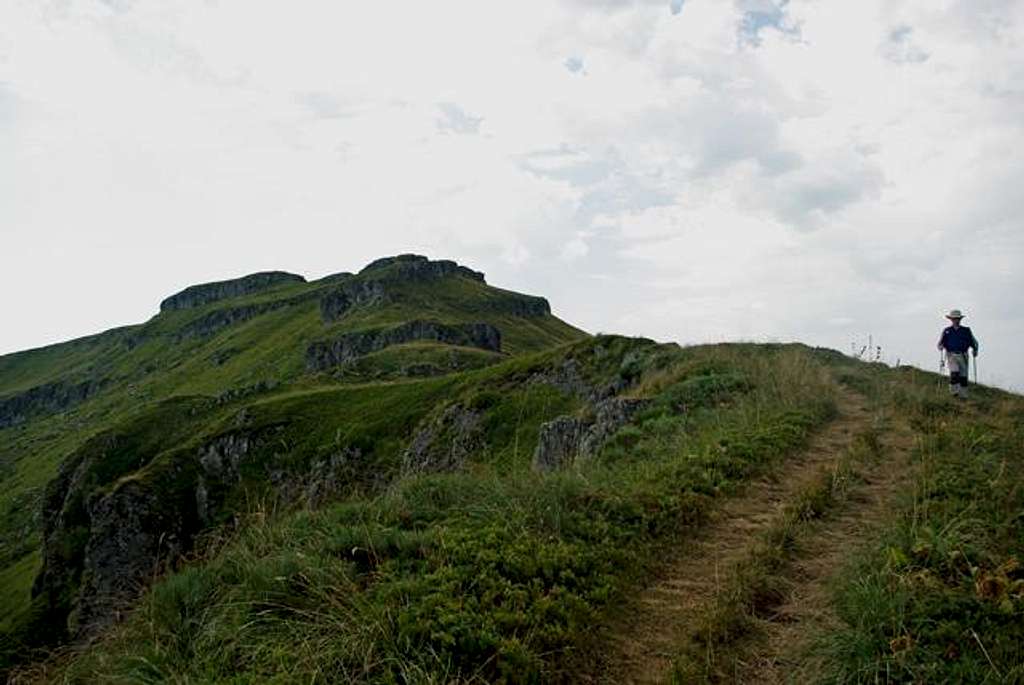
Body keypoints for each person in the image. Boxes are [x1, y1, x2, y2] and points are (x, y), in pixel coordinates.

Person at [937, 309, 979, 399]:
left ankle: (963, 396)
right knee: (954, 373)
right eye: (954, 319)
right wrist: (940, 347)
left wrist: (975, 350)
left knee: (963, 377)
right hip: (951, 355)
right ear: (951, 319)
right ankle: (954, 393)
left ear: (960, 319)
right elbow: (940, 343)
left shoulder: (966, 330)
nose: (956, 320)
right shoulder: (947, 331)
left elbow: (974, 343)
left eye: (957, 318)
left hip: (963, 355)